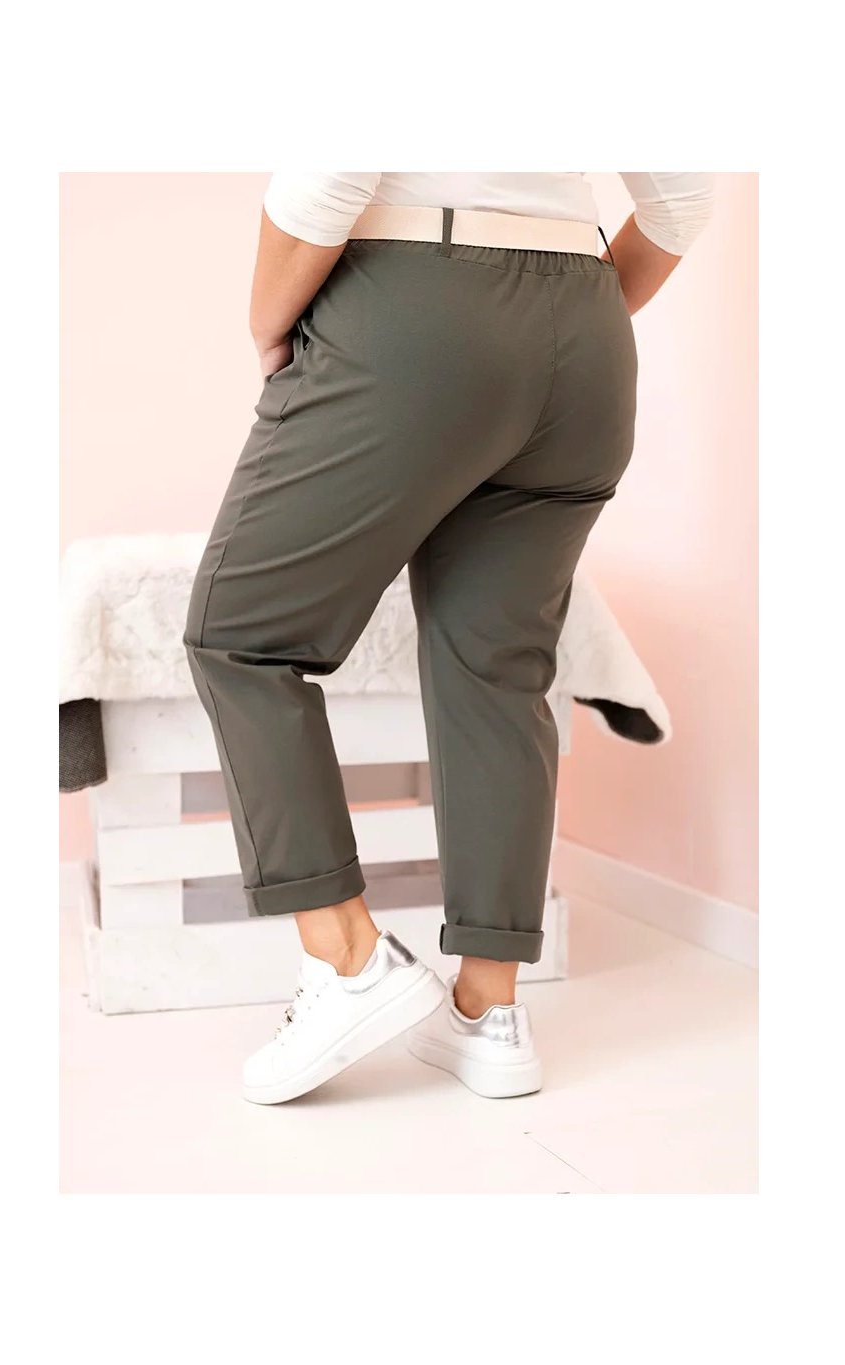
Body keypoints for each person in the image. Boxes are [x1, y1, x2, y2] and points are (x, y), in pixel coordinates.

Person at [184, 172, 714, 1105]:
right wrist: (569, 325)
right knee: (497, 668)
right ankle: (489, 1012)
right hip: (588, 342)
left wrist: (270, 322)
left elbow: (330, 173)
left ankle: (349, 960)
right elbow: (684, 196)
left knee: (239, 635)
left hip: (416, 309)